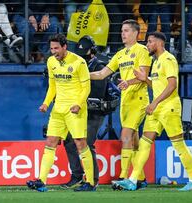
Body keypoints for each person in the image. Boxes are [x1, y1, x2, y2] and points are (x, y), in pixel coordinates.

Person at [112, 31, 192, 191]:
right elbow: (157, 85)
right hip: (156, 109)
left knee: (179, 145)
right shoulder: (156, 62)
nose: (147, 45)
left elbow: (172, 85)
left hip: (169, 108)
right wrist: (144, 79)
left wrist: (154, 102)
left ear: (159, 43)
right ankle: (132, 180)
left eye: (150, 42)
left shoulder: (168, 59)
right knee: (144, 144)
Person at [26, 34, 96, 192]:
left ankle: (90, 182)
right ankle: (41, 181)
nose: (53, 52)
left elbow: (86, 88)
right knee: (50, 142)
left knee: (80, 143)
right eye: (51, 49)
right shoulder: (51, 61)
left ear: (65, 47)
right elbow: (53, 86)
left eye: (56, 48)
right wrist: (46, 103)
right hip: (58, 109)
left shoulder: (79, 62)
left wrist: (78, 104)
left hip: (75, 109)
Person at [90, 19, 152, 189]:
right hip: (125, 101)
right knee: (134, 141)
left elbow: (144, 76)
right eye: (122, 31)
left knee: (125, 136)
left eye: (126, 30)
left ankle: (125, 177)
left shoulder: (142, 51)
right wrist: (84, 74)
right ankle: (140, 179)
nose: (122, 34)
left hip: (139, 100)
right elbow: (102, 74)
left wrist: (128, 83)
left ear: (135, 33)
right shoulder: (120, 54)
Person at [60, 35, 109, 189]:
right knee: (69, 141)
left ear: (92, 52)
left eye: (84, 54)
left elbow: (98, 92)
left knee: (86, 143)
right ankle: (76, 176)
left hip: (94, 111)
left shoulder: (99, 67)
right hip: (78, 110)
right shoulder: (77, 65)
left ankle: (92, 180)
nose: (81, 57)